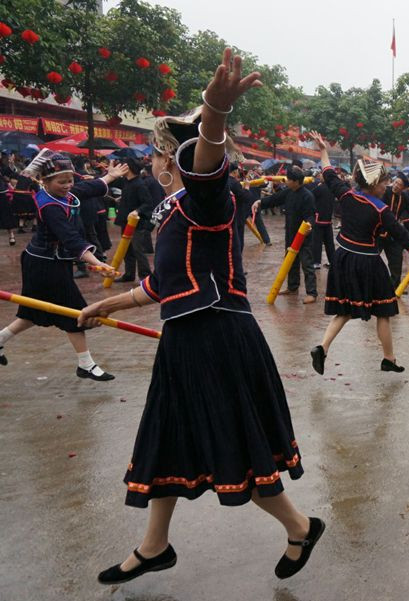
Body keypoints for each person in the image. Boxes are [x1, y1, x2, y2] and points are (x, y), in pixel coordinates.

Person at [79, 49, 323, 584]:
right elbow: (161, 286)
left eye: (157, 155)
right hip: (185, 337)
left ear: (173, 162)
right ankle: (155, 545)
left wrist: (214, 111)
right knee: (167, 438)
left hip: (218, 336)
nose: (151, 162)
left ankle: (301, 527)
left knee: (237, 446)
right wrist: (105, 304)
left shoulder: (205, 200)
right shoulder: (170, 212)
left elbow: (207, 163)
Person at [308, 132, 409, 374]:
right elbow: (408, 242)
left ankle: (322, 347)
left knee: (344, 310)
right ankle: (388, 359)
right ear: (372, 184)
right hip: (368, 262)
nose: (386, 187)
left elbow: (327, 172)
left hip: (343, 257)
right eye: (383, 183)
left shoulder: (346, 194)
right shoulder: (382, 211)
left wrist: (323, 149)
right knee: (384, 310)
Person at [0, 150, 125, 377]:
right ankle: (86, 365)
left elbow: (88, 188)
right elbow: (71, 238)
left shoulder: (65, 194)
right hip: (44, 264)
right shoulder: (50, 206)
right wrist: (98, 262)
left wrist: (110, 176)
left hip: (49, 260)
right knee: (73, 311)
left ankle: (0, 340)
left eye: (70, 180)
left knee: (33, 312)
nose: (68, 185)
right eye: (61, 181)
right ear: (46, 181)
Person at [253, 168, 318, 303]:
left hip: (303, 236)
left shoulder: (307, 196)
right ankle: (292, 287)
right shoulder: (288, 192)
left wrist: (310, 226)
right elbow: (274, 199)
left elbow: (311, 216)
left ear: (296, 182)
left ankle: (312, 293)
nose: (286, 181)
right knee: (290, 262)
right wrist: (260, 202)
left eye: (288, 179)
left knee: (307, 264)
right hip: (290, 233)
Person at [114, 158, 155, 283]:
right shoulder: (127, 182)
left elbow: (148, 203)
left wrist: (137, 211)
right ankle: (129, 274)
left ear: (129, 168)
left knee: (138, 250)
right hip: (125, 221)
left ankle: (145, 276)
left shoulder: (139, 184)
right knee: (127, 250)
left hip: (136, 223)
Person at [311, 172, 336, 268]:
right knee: (329, 243)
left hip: (318, 219)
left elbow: (310, 196)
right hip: (328, 219)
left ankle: (316, 262)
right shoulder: (332, 189)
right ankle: (333, 261)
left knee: (317, 242)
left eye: (321, 175)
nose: (319, 176)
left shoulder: (319, 188)